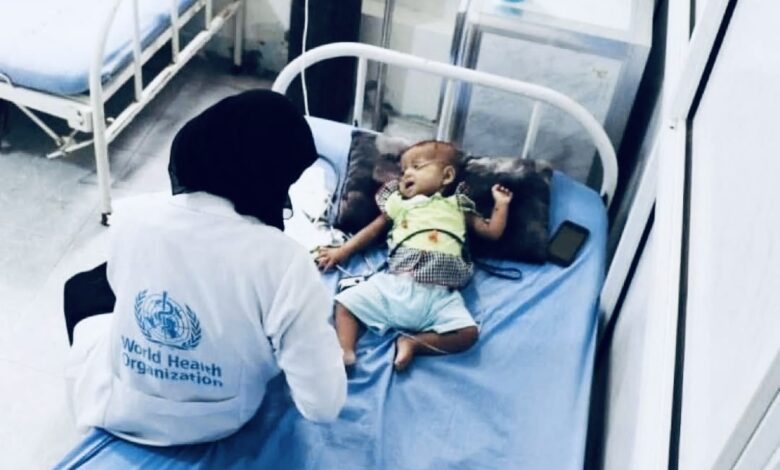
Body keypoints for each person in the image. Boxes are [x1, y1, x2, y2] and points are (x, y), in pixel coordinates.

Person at [65, 90, 346, 446]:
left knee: (82, 288)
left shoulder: (132, 217)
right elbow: (323, 406)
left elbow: (125, 290)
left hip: (122, 408)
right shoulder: (284, 262)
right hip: (220, 420)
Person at [317, 140, 513, 371]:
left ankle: (414, 343)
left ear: (447, 176)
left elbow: (492, 232)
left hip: (439, 297)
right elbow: (372, 231)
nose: (406, 174)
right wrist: (341, 252)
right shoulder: (401, 204)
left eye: (417, 167)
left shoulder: (457, 206)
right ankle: (345, 350)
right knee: (344, 304)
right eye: (403, 171)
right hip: (397, 285)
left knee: (468, 334)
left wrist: (501, 205)